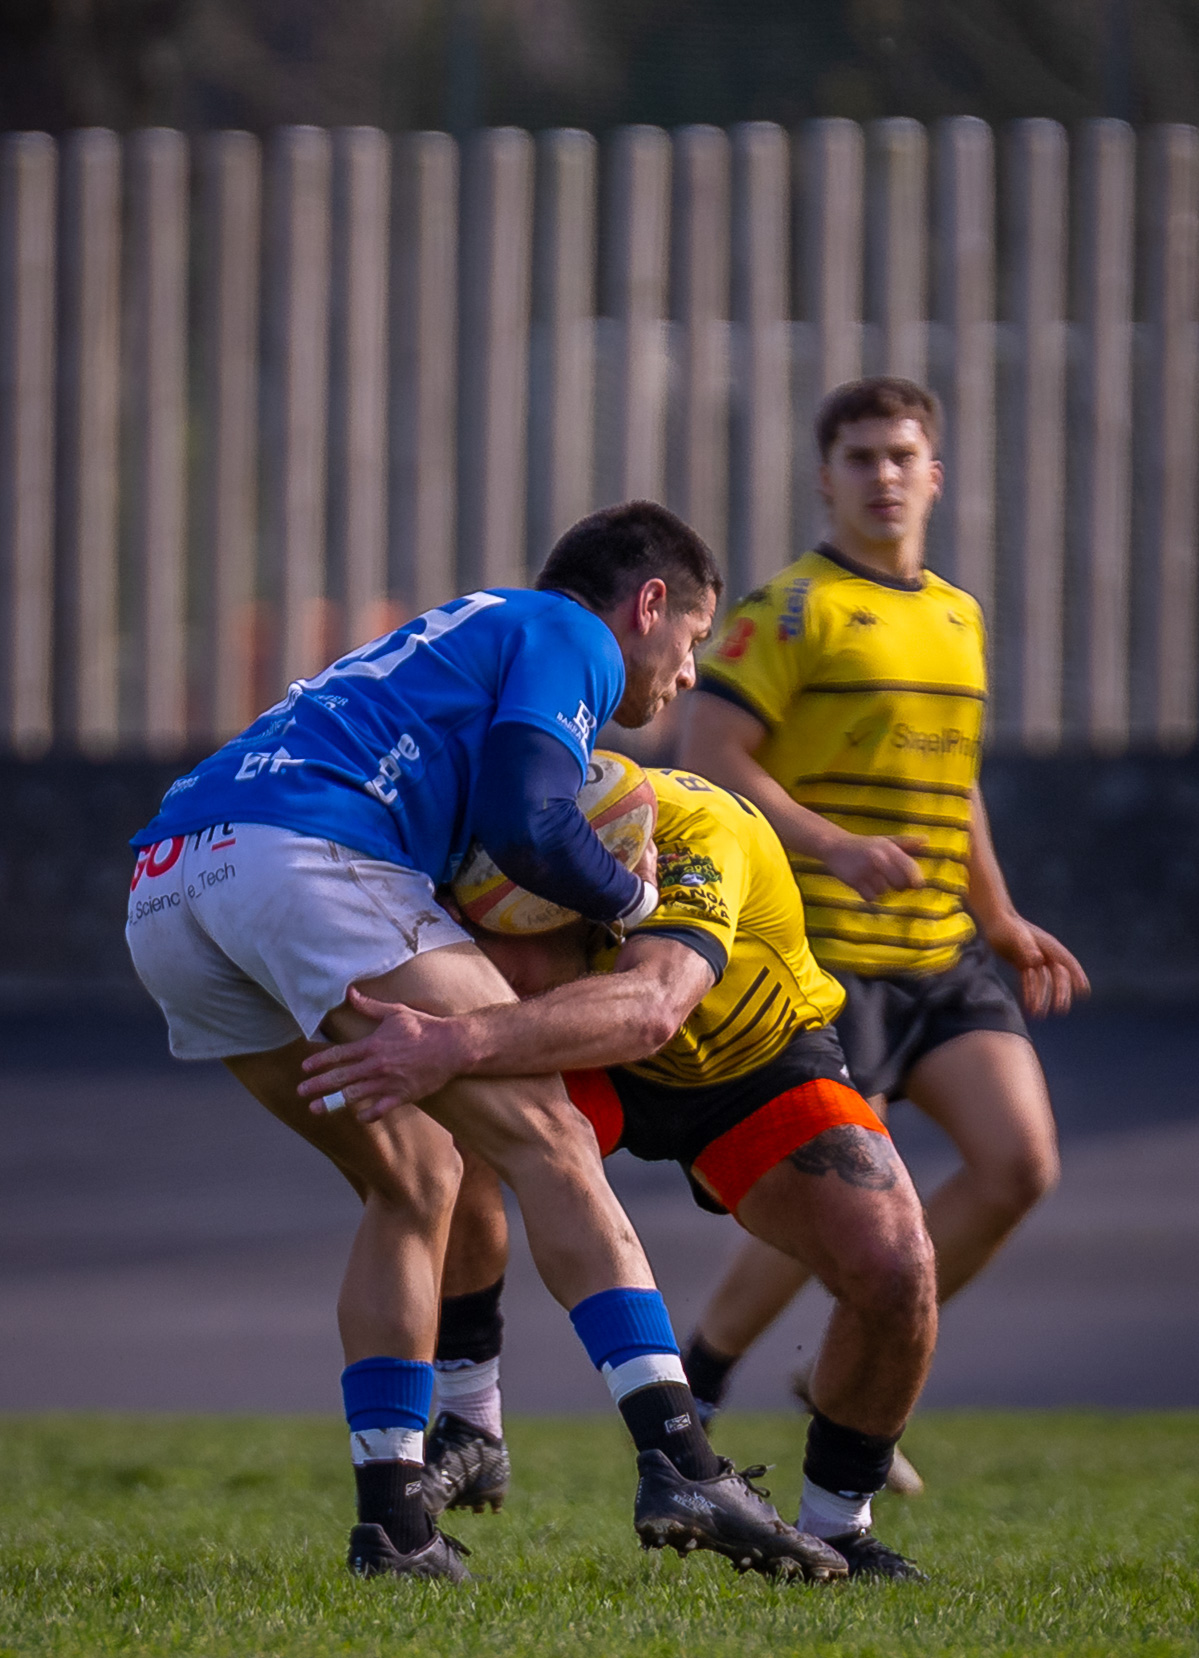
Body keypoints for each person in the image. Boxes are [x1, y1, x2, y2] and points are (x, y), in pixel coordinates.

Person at [126, 502, 844, 1588]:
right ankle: (681, 1459)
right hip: (304, 859)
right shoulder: (568, 634)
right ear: (646, 605)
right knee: (549, 1135)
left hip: (169, 881)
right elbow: (531, 823)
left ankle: (394, 1529)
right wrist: (631, 894)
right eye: (691, 642)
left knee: (414, 1180)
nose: (686, 675)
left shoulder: (462, 634)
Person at [298, 762, 940, 1580]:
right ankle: (471, 1418)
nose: (489, 963)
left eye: (503, 940)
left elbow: (649, 1010)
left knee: (894, 1266)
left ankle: (839, 1528)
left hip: (744, 1064)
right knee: (439, 1146)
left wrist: (456, 1040)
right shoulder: (480, 817)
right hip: (584, 1055)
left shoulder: (688, 837)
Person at [670, 378, 1089, 1464]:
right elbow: (705, 760)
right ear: (826, 477)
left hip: (938, 954)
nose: (882, 476)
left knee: (1017, 1166)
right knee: (840, 1203)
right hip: (820, 958)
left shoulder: (956, 615)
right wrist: (833, 846)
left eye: (901, 456)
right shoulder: (789, 609)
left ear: (933, 475)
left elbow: (955, 786)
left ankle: (833, 1367)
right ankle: (703, 1376)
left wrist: (995, 915)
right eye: (859, 458)